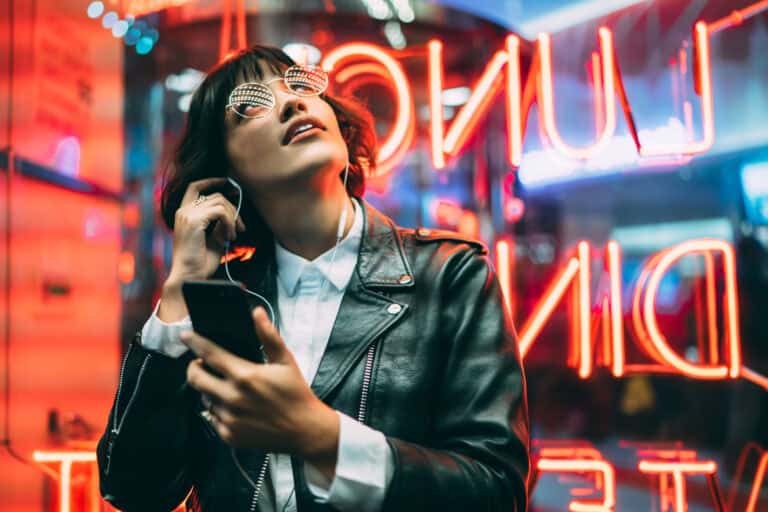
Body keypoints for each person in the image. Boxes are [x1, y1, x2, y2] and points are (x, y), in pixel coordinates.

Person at [96, 45, 530, 511]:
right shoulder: (223, 300)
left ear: (341, 133)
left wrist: (323, 438)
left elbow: (496, 491)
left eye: (301, 85)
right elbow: (133, 489)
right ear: (224, 170)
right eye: (251, 105)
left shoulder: (448, 275)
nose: (291, 101)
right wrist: (181, 289)